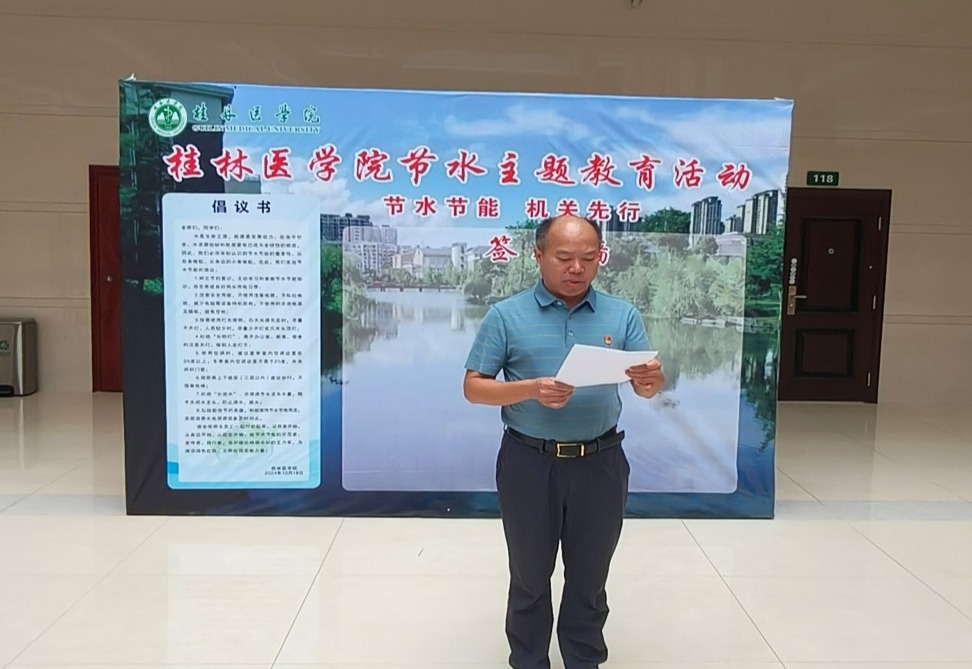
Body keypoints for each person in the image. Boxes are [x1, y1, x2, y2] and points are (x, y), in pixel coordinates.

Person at [463, 214, 664, 669]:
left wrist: (651, 380)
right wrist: (531, 390)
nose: (577, 268)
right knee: (530, 577)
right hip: (529, 463)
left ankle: (584, 661)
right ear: (538, 255)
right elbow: (474, 388)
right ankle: (529, 661)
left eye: (588, 258)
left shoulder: (621, 315)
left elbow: (649, 387)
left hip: (601, 462)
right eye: (564, 257)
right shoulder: (506, 315)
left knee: (590, 578)